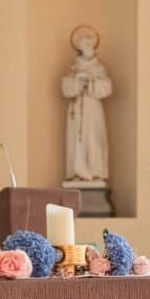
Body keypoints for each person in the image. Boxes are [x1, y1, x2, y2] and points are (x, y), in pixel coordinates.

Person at [61, 26, 112, 182]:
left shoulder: (99, 68)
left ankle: (95, 172)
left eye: (88, 44)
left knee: (93, 138)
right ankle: (77, 172)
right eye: (83, 45)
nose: (86, 47)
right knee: (77, 140)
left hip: (92, 109)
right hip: (76, 110)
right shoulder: (73, 67)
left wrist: (90, 81)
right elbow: (66, 87)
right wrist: (77, 81)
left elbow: (107, 87)